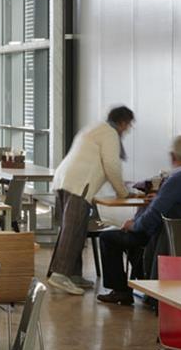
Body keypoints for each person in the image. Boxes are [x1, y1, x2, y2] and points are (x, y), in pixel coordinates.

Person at [95, 135, 181, 306]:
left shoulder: (175, 182)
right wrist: (160, 198)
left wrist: (133, 225)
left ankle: (121, 291)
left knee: (108, 238)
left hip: (165, 238)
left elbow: (151, 218)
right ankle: (144, 280)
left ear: (173, 156)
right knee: (134, 241)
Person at [46, 105, 136, 296]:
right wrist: (123, 192)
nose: (128, 129)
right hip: (79, 184)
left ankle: (73, 274)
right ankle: (60, 275)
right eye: (128, 125)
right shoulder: (110, 134)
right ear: (122, 122)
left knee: (77, 229)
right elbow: (111, 165)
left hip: (65, 180)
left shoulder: (96, 128)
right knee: (72, 230)